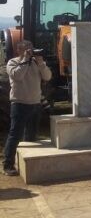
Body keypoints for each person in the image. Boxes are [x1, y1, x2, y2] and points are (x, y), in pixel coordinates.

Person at [3, 40, 52, 176]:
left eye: (31, 48)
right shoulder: (12, 62)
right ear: (19, 50)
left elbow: (47, 76)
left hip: (35, 104)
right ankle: (8, 164)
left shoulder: (37, 63)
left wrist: (41, 63)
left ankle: (29, 164)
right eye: (26, 49)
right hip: (19, 104)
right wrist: (25, 60)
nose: (30, 51)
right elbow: (18, 76)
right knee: (15, 135)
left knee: (31, 136)